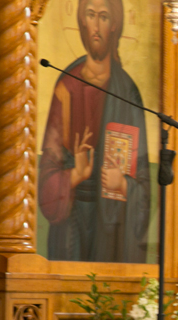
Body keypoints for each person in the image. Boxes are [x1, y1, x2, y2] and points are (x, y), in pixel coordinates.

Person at [39, 0, 150, 263]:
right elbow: (46, 177)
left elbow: (145, 186)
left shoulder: (128, 94)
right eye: (90, 15)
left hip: (111, 234)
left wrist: (122, 183)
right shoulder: (66, 87)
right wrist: (75, 174)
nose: (96, 26)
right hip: (70, 228)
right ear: (81, 21)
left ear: (115, 25)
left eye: (104, 17)